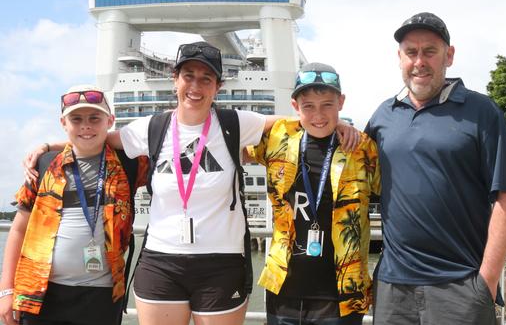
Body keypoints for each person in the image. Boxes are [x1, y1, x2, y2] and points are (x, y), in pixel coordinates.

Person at [22, 42, 359, 325]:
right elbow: (94, 137)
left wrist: (341, 124)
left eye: (206, 79)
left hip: (222, 262)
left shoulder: (235, 124)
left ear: (218, 87)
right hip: (161, 261)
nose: (196, 87)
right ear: (175, 80)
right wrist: (52, 145)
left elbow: (301, 120)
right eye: (188, 76)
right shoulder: (150, 128)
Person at [365, 12, 506, 325]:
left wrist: (485, 283)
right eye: (411, 52)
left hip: (460, 285)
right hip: (393, 287)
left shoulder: (481, 111)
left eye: (430, 51)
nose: (419, 61)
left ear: (449, 55)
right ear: (400, 58)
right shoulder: (383, 115)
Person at [0, 85, 149, 325]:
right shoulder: (44, 166)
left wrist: (50, 143)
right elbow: (18, 230)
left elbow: (165, 147)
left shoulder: (130, 163)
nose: (85, 126)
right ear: (63, 123)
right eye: (76, 119)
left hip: (103, 295)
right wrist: (6, 290)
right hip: (43, 293)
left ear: (110, 121)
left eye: (94, 118)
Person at [247, 62, 380, 325]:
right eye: (308, 106)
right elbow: (229, 140)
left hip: (342, 292)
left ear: (341, 102)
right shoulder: (277, 139)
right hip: (283, 286)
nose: (318, 114)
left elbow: (392, 191)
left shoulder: (362, 148)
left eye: (327, 105)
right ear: (295, 107)